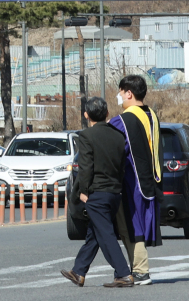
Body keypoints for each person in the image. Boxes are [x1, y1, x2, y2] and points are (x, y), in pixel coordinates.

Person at [60, 96, 133, 288]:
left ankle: (124, 274)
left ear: (86, 115)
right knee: (95, 232)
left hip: (96, 194)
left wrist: (83, 191)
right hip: (114, 193)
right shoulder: (118, 136)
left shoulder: (86, 136)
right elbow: (121, 166)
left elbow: (86, 168)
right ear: (107, 113)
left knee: (106, 234)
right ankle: (79, 271)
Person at [108, 75, 161, 285]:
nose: (119, 96)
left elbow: (115, 149)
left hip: (132, 182)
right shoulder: (152, 116)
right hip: (151, 180)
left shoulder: (123, 121)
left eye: (121, 92)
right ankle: (135, 269)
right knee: (134, 225)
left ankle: (140, 271)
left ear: (129, 93)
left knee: (132, 225)